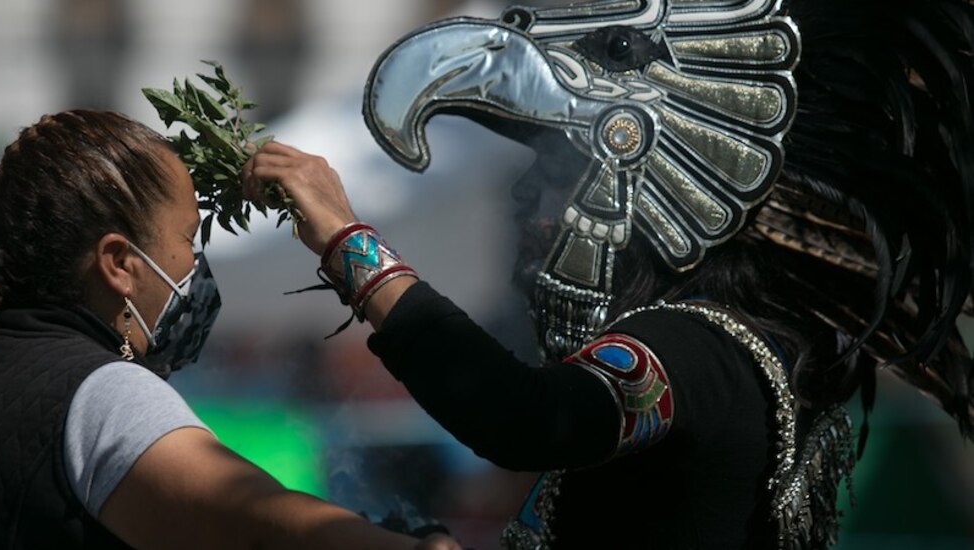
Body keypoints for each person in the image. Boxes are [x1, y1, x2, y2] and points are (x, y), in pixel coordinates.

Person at [241, 0, 974, 547]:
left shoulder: (691, 349)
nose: (527, 200)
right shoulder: (751, 339)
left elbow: (527, 417)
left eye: (555, 172)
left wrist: (348, 242)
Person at [0, 110, 461, 550]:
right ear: (119, 263)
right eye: (189, 239)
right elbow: (262, 529)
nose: (194, 267)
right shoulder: (103, 394)